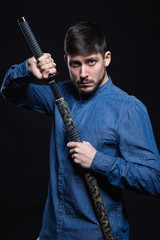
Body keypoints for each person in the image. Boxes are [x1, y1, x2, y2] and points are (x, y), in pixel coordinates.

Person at [1, 21, 160, 240]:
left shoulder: (129, 109)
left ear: (107, 58)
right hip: (50, 234)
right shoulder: (60, 93)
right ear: (66, 61)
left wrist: (98, 161)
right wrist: (27, 70)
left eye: (91, 62)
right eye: (75, 64)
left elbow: (154, 179)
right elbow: (11, 92)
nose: (83, 73)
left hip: (96, 235)